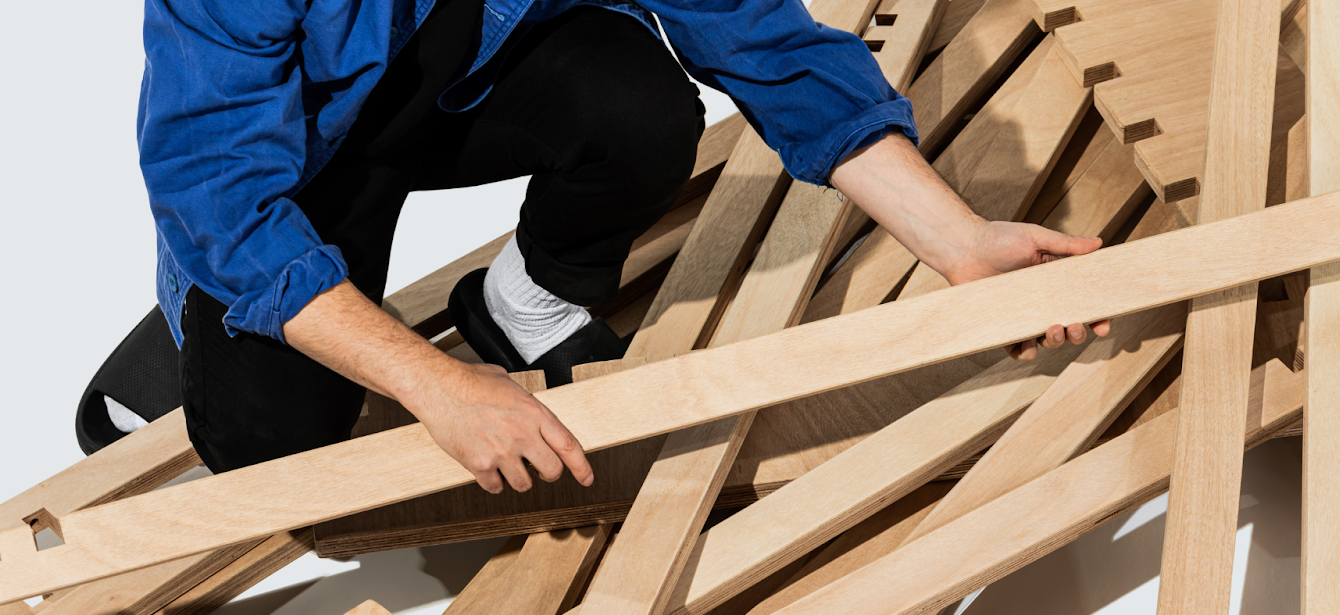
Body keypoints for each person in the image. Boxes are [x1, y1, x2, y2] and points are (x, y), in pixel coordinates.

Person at [79, 0, 1108, 494]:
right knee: (270, 454)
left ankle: (521, 302)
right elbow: (217, 191)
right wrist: (439, 386)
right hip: (299, 160)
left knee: (642, 110)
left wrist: (958, 239)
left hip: (464, 79)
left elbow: (757, 38)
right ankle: (190, 327)